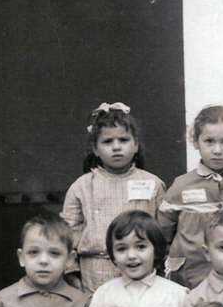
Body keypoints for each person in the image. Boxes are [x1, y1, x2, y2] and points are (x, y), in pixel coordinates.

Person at [61, 102, 166, 291]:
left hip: (142, 271)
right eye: (107, 142)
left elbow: (163, 233)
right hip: (95, 274)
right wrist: (72, 275)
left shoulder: (153, 184)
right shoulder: (82, 187)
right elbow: (66, 236)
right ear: (95, 148)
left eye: (123, 140)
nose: (116, 147)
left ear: (135, 145)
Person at [158, 105, 223, 288]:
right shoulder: (181, 185)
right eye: (209, 141)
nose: (217, 150)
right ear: (196, 142)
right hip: (188, 279)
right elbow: (162, 231)